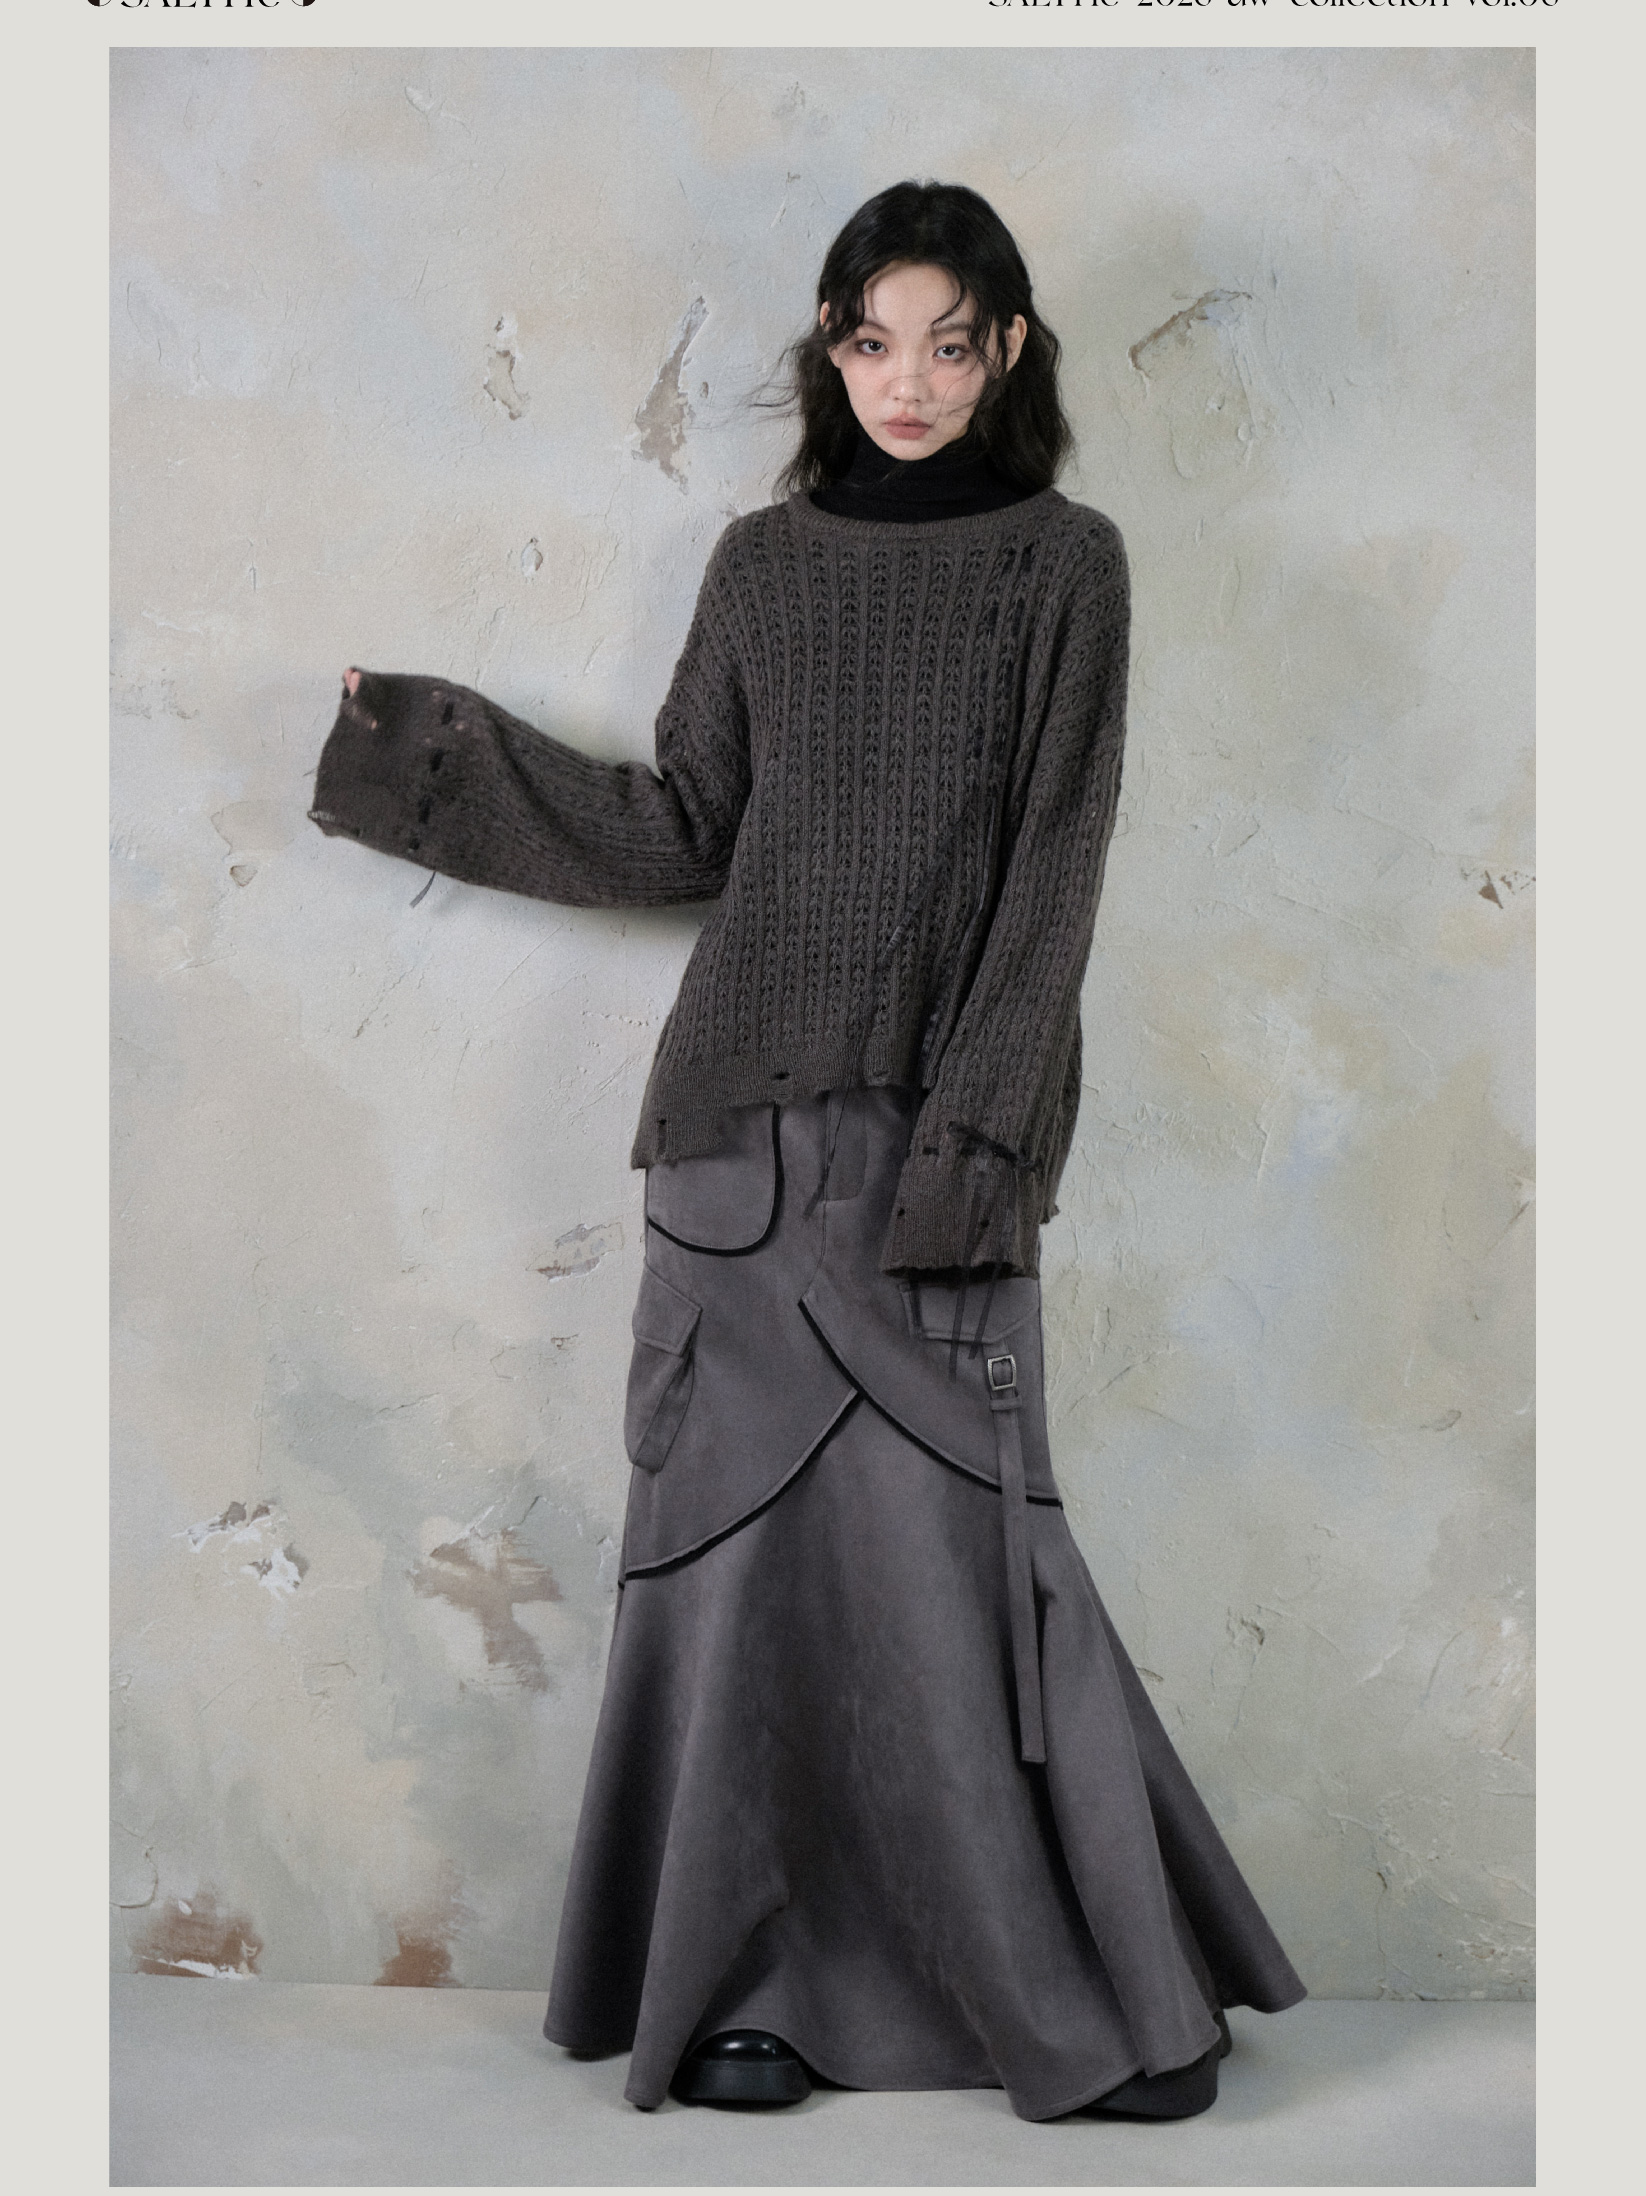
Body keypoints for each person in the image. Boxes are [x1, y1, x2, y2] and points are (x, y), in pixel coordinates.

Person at [310, 179, 1305, 2124]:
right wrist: (413, 750)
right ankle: (744, 1994)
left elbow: (1052, 875)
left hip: (940, 1142)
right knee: (743, 1587)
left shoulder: (1065, 566)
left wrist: (980, 1145)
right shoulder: (763, 567)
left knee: (962, 1572)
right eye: (869, 341)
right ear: (829, 350)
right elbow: (683, 825)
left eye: (946, 342)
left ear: (1005, 352)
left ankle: (1076, 1996)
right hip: (733, 1150)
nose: (904, 381)